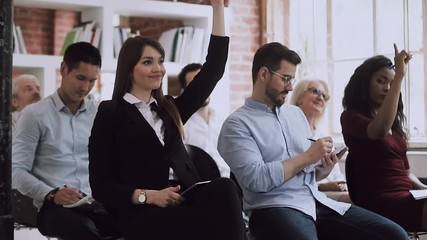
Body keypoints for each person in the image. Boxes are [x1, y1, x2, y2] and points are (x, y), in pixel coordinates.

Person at [217, 42, 409, 240]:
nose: (291, 87)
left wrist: (321, 170)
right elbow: (256, 180)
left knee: (395, 235)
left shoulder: (296, 115)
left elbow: (305, 172)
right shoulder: (237, 125)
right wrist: (309, 156)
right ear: (264, 74)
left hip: (316, 202)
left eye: (292, 79)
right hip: (274, 208)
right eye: (285, 79)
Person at [88, 1, 245, 239]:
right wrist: (150, 196)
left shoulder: (169, 108)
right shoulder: (110, 112)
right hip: (143, 211)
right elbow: (101, 186)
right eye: (148, 62)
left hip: (186, 197)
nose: (158, 69)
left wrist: (217, 8)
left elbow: (214, 69)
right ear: (129, 69)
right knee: (213, 221)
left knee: (224, 187)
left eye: (160, 61)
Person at [12, 42, 122, 240]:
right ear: (63, 69)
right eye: (80, 78)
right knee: (84, 231)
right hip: (52, 206)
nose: (85, 88)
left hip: (95, 203)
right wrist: (53, 193)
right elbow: (16, 171)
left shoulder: (98, 114)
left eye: (91, 81)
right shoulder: (34, 115)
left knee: (141, 224)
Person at [341, 44, 427, 232]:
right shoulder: (351, 117)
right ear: (365, 83)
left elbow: (406, 173)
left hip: (406, 196)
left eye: (391, 83)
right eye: (381, 81)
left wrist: (423, 188)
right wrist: (399, 77)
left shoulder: (395, 130)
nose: (387, 88)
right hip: (379, 202)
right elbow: (378, 130)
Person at [290, 79, 351, 203]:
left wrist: (341, 184)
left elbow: (336, 175)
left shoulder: (324, 136)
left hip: (328, 192)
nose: (320, 97)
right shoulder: (289, 132)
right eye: (315, 91)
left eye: (324, 96)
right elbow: (292, 177)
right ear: (299, 97)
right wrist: (322, 185)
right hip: (306, 193)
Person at [178, 63, 230, 178]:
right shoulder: (180, 124)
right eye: (195, 84)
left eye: (206, 83)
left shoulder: (223, 120)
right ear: (183, 91)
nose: (203, 89)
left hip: (232, 183)